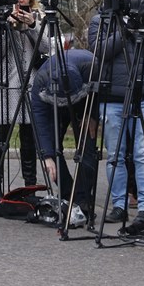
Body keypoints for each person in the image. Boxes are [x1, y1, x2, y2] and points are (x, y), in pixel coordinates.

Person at [88, 11, 144, 232]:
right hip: (112, 97)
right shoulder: (101, 20)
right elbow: (99, 52)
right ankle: (119, 205)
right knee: (115, 154)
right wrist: (123, 32)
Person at [0, 0, 48, 198]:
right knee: (0, 138)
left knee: (28, 139)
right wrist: (8, 27)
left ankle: (29, 188)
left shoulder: (38, 18)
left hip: (30, 84)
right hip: (5, 84)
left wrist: (32, 26)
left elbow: (46, 47)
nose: (20, 1)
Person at [30, 49, 98, 217]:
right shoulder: (41, 81)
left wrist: (91, 114)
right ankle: (69, 195)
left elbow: (101, 91)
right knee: (52, 153)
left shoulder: (92, 65)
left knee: (87, 146)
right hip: (52, 107)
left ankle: (83, 198)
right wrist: (46, 155)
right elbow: (40, 120)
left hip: (84, 104)